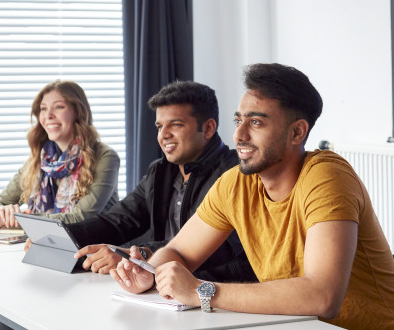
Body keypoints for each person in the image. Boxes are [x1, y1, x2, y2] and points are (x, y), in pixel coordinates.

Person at [110, 63, 394, 330]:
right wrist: (150, 273)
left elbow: (322, 296)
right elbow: (179, 253)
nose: (239, 134)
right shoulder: (236, 183)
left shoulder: (326, 178)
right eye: (238, 121)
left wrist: (202, 290)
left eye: (256, 123)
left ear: (297, 131)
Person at [70, 80, 256, 283]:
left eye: (176, 124)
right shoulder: (159, 171)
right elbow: (119, 221)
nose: (164, 135)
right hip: (162, 287)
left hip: (216, 291)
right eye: (160, 126)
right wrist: (62, 237)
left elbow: (222, 248)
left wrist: (141, 256)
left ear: (209, 128)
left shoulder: (237, 174)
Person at [0, 80, 119, 227]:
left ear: (78, 112)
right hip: (50, 244)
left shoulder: (105, 157)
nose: (48, 115)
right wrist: (4, 212)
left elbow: (81, 217)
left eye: (59, 107)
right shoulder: (41, 159)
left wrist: (17, 218)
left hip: (99, 246)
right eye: (43, 109)